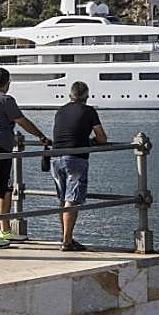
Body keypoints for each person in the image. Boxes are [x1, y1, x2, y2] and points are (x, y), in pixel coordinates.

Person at [0, 67, 51, 248]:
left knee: (5, 190)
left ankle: (5, 231)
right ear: (8, 83)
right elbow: (22, 121)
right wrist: (41, 137)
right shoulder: (6, 99)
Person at [50, 80, 107, 252]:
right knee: (71, 200)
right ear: (86, 97)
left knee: (63, 199)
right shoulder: (89, 111)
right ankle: (67, 242)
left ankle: (65, 236)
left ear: (70, 96)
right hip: (76, 157)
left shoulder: (61, 110)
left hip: (55, 157)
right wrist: (92, 141)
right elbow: (102, 137)